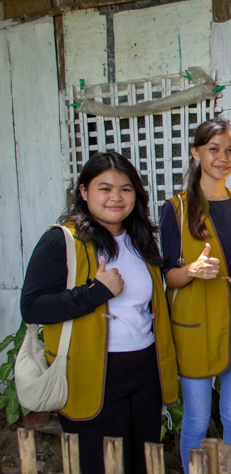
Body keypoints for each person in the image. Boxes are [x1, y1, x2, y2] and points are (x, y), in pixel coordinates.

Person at [20, 152, 178, 474]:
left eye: (126, 189)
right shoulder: (61, 240)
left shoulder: (140, 240)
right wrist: (96, 293)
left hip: (145, 369)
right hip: (92, 371)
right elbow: (32, 306)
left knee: (142, 461)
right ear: (83, 192)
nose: (116, 198)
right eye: (105, 188)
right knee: (101, 463)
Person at [160, 118, 231, 469]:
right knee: (197, 418)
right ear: (196, 152)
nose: (224, 157)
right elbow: (169, 277)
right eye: (214, 149)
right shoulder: (176, 208)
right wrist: (190, 271)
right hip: (197, 327)